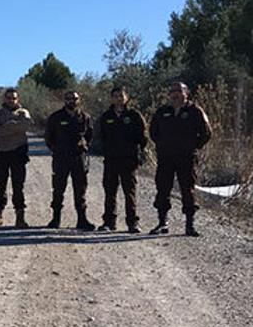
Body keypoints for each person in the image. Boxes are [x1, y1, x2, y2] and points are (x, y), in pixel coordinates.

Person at [149, 81, 212, 237]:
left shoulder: (195, 111)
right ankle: (162, 223)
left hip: (187, 157)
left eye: (179, 91)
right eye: (172, 91)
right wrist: (163, 145)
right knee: (162, 188)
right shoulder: (162, 111)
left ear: (186, 93)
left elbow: (206, 133)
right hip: (165, 157)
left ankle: (189, 225)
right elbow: (153, 132)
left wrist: (193, 146)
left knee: (188, 189)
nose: (175, 94)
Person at [97, 86, 148, 233]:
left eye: (121, 96)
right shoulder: (106, 117)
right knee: (110, 191)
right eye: (115, 96)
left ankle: (133, 223)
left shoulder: (134, 115)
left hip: (129, 160)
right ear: (111, 98)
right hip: (111, 159)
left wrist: (139, 152)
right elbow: (100, 136)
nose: (118, 98)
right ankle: (109, 222)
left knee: (129, 192)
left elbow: (143, 137)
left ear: (126, 98)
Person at [44, 90, 96, 230]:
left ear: (79, 100)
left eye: (74, 98)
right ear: (64, 100)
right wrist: (56, 149)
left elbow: (90, 135)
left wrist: (84, 147)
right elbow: (49, 137)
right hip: (61, 158)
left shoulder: (85, 117)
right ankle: (55, 219)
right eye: (68, 98)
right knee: (58, 189)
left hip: (79, 158)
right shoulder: (55, 117)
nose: (71, 101)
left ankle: (82, 220)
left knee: (80, 190)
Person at [0, 88, 33, 228]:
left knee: (18, 186)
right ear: (5, 99)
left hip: (18, 153)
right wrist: (13, 126)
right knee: (0, 186)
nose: (11, 100)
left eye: (13, 98)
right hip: (1, 152)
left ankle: (20, 218)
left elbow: (24, 126)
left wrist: (6, 126)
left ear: (17, 99)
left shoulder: (23, 113)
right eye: (8, 98)